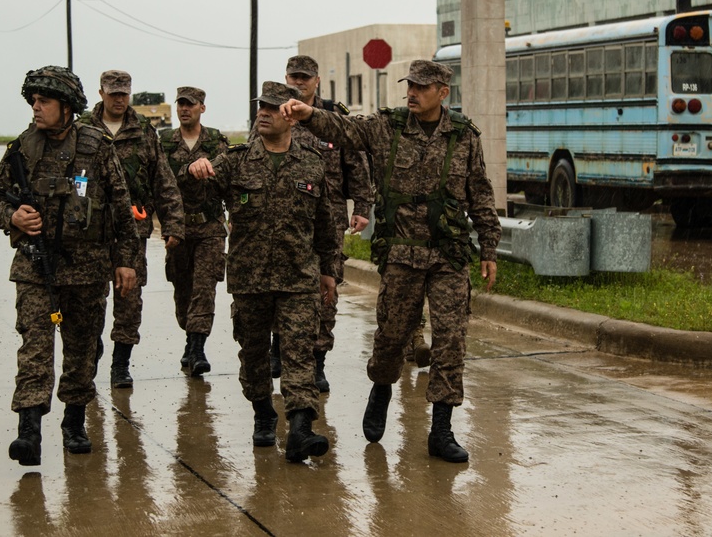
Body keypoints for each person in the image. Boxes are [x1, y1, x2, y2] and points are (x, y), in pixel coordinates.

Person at [281, 59, 501, 463]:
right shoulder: (389, 127)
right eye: (410, 85)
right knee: (391, 338)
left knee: (451, 340)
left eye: (421, 86)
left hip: (449, 255)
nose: (412, 92)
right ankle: (381, 388)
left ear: (442, 92)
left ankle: (441, 429)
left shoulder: (464, 137)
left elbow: (480, 193)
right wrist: (310, 113)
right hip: (401, 254)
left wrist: (488, 247)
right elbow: (346, 130)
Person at [0, 66, 140, 466]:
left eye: (44, 102)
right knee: (34, 348)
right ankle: (29, 431)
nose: (36, 108)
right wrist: (13, 217)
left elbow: (122, 211)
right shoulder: (22, 147)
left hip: (88, 270)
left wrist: (125, 263)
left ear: (66, 107)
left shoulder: (96, 146)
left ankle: (74, 422)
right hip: (36, 268)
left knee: (82, 351)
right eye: (33, 101)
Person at [190, 81, 340, 463]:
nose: (264, 113)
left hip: (298, 278)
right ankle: (262, 412)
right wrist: (194, 170)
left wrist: (328, 270)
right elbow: (192, 194)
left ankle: (301, 428)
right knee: (254, 354)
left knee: (299, 354)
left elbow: (325, 223)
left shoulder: (311, 162)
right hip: (250, 278)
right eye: (261, 107)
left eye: (273, 108)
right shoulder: (236, 160)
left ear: (290, 115)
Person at [257, 55, 373, 392]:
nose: (299, 82)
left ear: (317, 80)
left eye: (305, 77)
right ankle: (280, 346)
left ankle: (318, 360)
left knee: (328, 289)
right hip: (284, 217)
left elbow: (356, 163)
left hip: (331, 217)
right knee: (283, 283)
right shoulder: (273, 114)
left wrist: (362, 206)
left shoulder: (333, 118)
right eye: (294, 76)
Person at [78, 70, 185, 388]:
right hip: (91, 232)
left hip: (133, 230)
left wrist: (172, 223)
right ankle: (90, 352)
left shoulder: (143, 131)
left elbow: (163, 180)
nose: (119, 99)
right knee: (89, 299)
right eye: (113, 93)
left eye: (124, 93)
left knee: (129, 299)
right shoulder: (83, 129)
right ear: (101, 94)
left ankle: (120, 364)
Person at [159, 87, 230, 376]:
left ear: (202, 108)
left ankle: (198, 347)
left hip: (210, 226)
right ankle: (190, 338)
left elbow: (228, 175)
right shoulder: (164, 142)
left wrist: (210, 168)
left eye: (191, 104)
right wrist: (187, 170)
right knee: (183, 290)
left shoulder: (215, 141)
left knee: (204, 287)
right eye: (181, 105)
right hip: (178, 227)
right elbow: (159, 181)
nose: (185, 109)